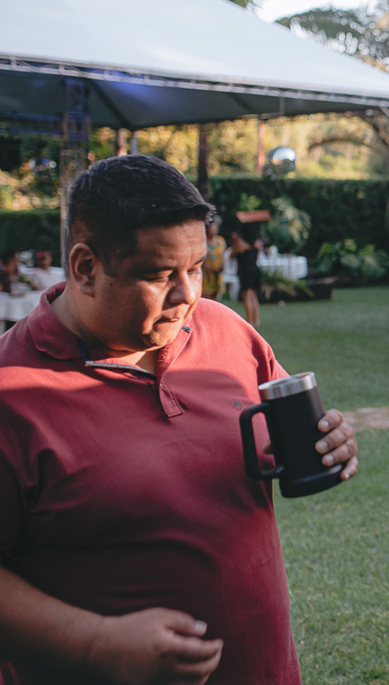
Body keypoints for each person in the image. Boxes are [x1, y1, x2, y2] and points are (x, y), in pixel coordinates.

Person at [0, 154, 358, 685]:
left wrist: (331, 441)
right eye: (159, 275)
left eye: (195, 269)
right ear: (84, 267)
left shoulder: (226, 330)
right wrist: (97, 644)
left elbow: (274, 441)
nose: (189, 296)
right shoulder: (12, 391)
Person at [230, 223, 263, 328]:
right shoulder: (257, 243)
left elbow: (231, 255)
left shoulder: (240, 244)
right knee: (254, 295)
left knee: (247, 296)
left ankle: (250, 320)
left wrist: (234, 241)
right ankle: (256, 319)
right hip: (255, 269)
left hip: (246, 271)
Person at [202, 217, 227, 300]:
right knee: (206, 297)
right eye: (211, 228)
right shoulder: (203, 242)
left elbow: (223, 254)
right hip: (207, 273)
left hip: (218, 272)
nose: (213, 230)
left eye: (215, 227)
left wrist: (223, 265)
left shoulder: (220, 241)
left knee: (216, 298)